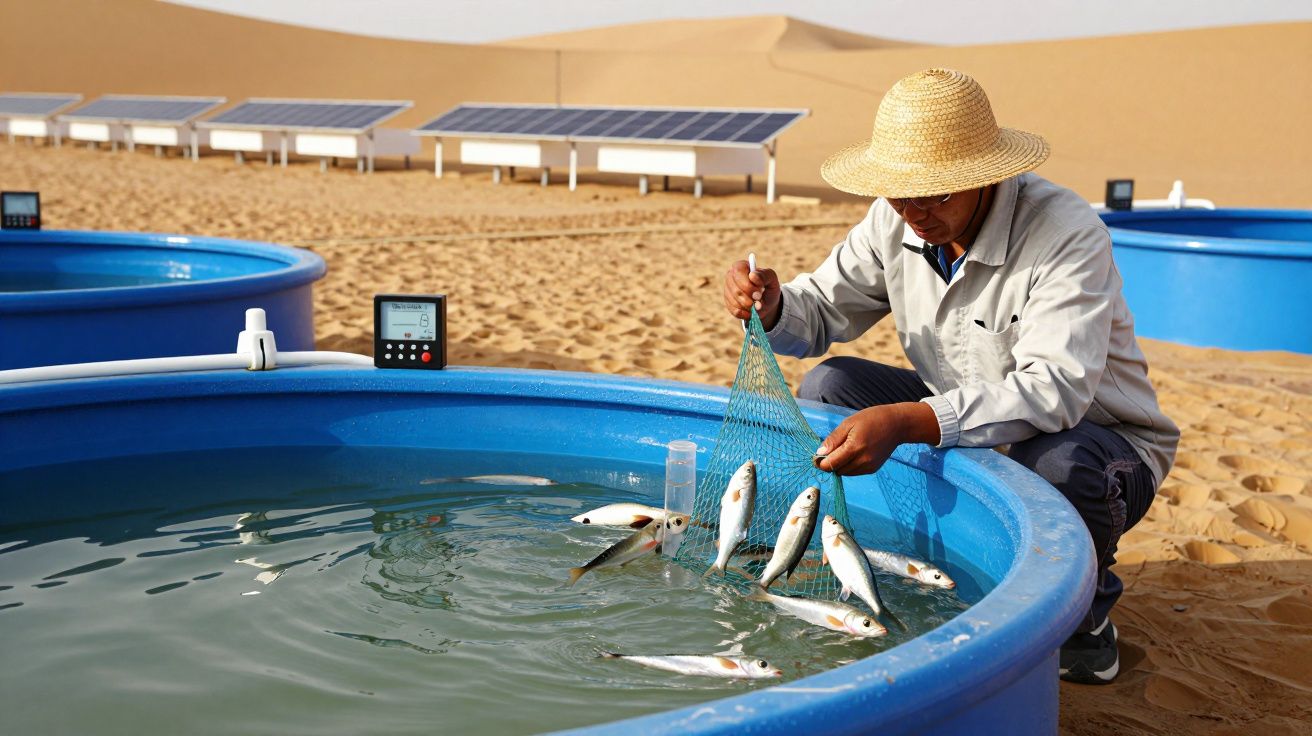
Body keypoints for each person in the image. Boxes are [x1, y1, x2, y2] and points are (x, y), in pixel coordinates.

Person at [722, 68, 1179, 685]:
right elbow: (823, 309)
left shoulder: (1065, 234)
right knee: (829, 389)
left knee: (1060, 466)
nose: (914, 214)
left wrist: (912, 419)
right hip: (964, 412)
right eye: (899, 195)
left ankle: (1085, 622)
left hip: (1099, 440)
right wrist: (773, 304)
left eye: (935, 195)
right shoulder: (900, 219)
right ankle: (917, 553)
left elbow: (1057, 389)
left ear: (984, 176)